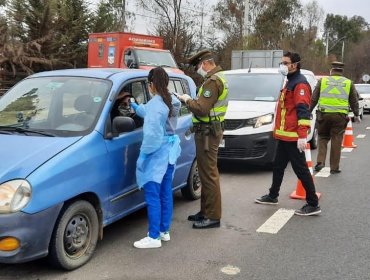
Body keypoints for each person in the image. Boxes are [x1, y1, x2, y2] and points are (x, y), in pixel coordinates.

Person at [255, 51, 321, 216]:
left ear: (295, 65)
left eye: (285, 63)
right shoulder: (290, 81)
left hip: (293, 137)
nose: (282, 65)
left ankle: (313, 204)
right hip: (284, 136)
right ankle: (273, 195)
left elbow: (303, 111)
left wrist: (302, 135)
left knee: (301, 170)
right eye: (282, 62)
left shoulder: (300, 84)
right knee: (278, 166)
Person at [131, 67, 181, 249]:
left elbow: (152, 136)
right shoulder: (171, 101)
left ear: (151, 84)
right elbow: (150, 112)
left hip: (157, 155)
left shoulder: (157, 106)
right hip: (170, 154)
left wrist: (144, 155)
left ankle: (153, 237)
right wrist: (136, 107)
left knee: (152, 195)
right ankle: (163, 231)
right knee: (165, 193)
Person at [177, 50, 228, 228]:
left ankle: (213, 216)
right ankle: (205, 211)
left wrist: (187, 100)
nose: (198, 69)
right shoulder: (217, 78)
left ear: (206, 63)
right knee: (206, 174)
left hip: (208, 134)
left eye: (198, 66)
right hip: (207, 132)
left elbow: (201, 109)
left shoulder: (213, 82)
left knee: (209, 175)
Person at [310, 61, 360, 174]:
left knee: (322, 137)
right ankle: (334, 167)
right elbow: (354, 101)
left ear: (331, 70)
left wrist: (308, 111)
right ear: (342, 71)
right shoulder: (348, 83)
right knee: (336, 140)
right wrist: (356, 114)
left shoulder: (322, 81)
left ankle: (320, 162)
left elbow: (314, 98)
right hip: (339, 116)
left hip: (323, 115)